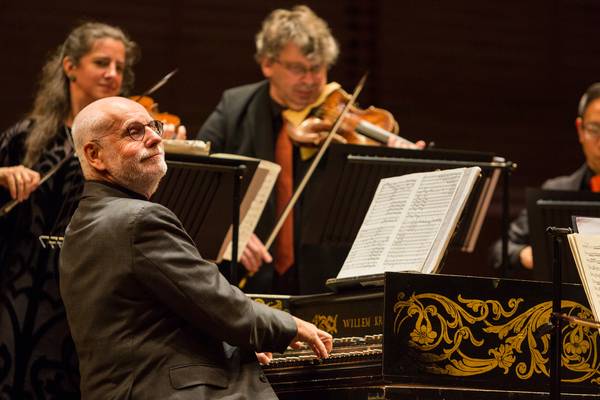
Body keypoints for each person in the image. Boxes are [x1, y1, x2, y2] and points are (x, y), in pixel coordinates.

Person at [59, 96, 332, 399]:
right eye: (134, 131)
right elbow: (218, 303)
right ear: (94, 155)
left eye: (154, 126)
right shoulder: (140, 220)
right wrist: (290, 326)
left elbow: (152, 322)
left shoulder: (79, 227)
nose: (155, 138)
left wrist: (235, 344)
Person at [197, 5, 424, 295]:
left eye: (318, 69)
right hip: (247, 281)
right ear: (268, 63)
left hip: (327, 280)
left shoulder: (342, 119)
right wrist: (228, 232)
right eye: (297, 69)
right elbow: (200, 181)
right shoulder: (234, 108)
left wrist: (398, 161)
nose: (309, 81)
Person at [0, 22, 140, 399]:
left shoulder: (124, 148)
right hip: (19, 292)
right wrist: (2, 174)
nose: (113, 74)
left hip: (86, 294)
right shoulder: (26, 136)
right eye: (101, 63)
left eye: (120, 66)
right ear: (70, 67)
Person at [490, 82, 600, 282]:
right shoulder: (555, 191)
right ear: (580, 129)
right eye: (595, 128)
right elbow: (501, 249)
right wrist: (525, 254)